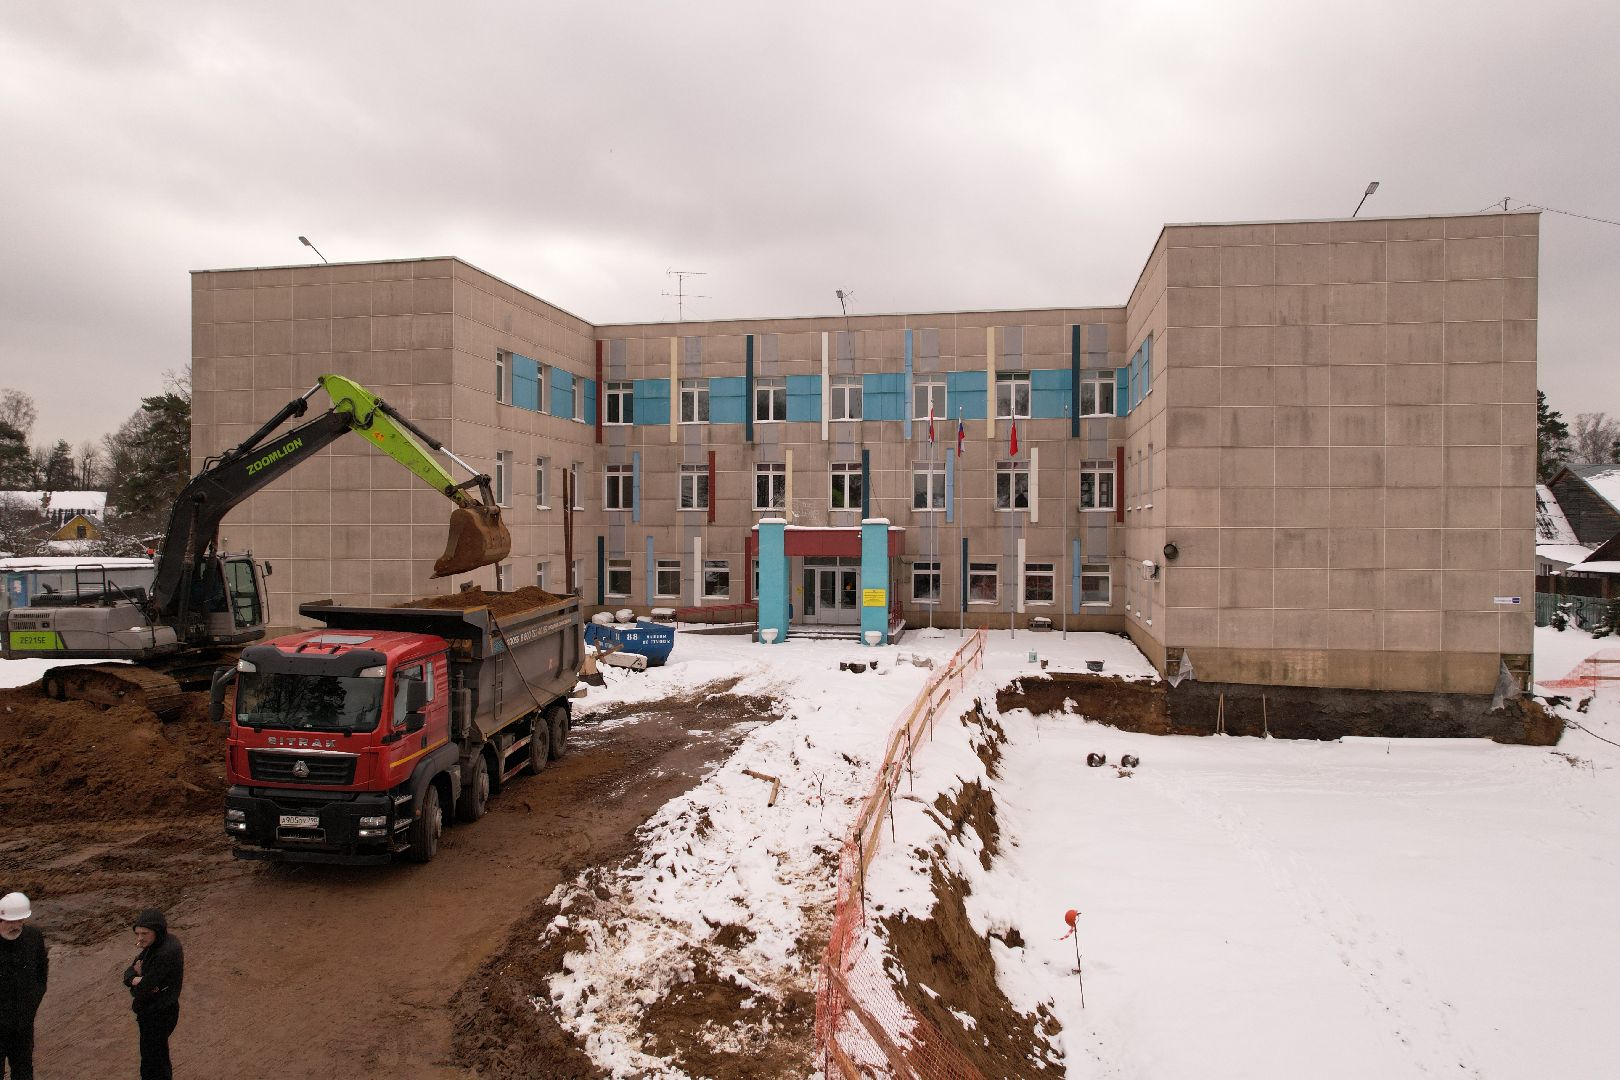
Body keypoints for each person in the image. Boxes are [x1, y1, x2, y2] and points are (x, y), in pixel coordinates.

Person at [124, 909, 183, 1080]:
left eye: (144, 933)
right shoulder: (157, 944)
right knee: (155, 1059)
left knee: (154, 1062)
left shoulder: (164, 953)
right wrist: (136, 978)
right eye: (137, 933)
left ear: (156, 930)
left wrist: (137, 982)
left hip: (158, 1014)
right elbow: (130, 972)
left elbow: (141, 990)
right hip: (158, 1010)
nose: (140, 938)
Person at [0, 891, 47, 1080]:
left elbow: (41, 976)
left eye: (20, 921)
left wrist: (29, 1009)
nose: (16, 926)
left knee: (24, 1070)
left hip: (22, 1025)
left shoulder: (33, 937)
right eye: (11, 922)